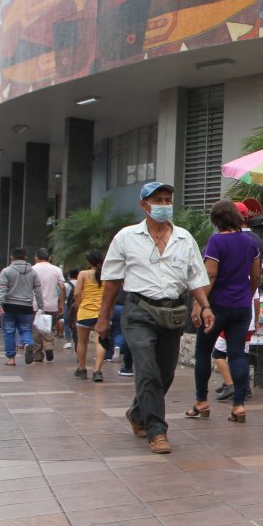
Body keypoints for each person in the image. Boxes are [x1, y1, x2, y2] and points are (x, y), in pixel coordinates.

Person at [98, 181, 212, 455]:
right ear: (144, 205)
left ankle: (137, 412)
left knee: (165, 374)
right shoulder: (126, 237)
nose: (163, 205)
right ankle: (157, 431)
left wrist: (205, 306)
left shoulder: (184, 238)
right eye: (157, 200)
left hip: (173, 313)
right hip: (138, 311)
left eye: (167, 200)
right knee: (147, 370)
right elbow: (112, 280)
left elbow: (196, 276)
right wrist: (103, 318)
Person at [187, 200, 261, 424]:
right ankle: (238, 406)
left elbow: (210, 275)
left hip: (217, 306)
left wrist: (200, 305)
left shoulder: (216, 241)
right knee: (237, 354)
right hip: (241, 306)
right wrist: (247, 295)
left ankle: (201, 402)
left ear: (217, 220)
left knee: (203, 352)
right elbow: (256, 275)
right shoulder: (251, 242)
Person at [0, 248, 46, 367]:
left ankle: (11, 359)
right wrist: (40, 306)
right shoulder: (33, 272)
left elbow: (1, 289)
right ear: (25, 257)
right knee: (25, 330)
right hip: (26, 307)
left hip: (9, 307)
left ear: (11, 257)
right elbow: (38, 290)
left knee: (9, 332)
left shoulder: (6, 271)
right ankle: (28, 343)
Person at [73, 250, 108, 381]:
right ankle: (97, 371)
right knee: (99, 342)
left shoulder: (83, 274)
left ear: (89, 262)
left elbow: (77, 293)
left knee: (82, 342)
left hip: (85, 312)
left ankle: (82, 369)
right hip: (101, 313)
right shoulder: (106, 274)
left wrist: (79, 306)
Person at [31, 249, 66, 363]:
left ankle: (38, 354)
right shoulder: (56, 269)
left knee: (37, 328)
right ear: (49, 258)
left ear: (36, 257)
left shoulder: (32, 269)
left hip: (35, 304)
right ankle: (49, 346)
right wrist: (61, 302)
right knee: (49, 327)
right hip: (52, 304)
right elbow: (62, 286)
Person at [62, 269, 78, 349]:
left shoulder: (65, 285)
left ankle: (68, 342)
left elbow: (63, 296)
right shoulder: (81, 282)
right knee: (78, 322)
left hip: (67, 304)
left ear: (69, 276)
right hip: (78, 304)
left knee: (66, 323)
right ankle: (77, 340)